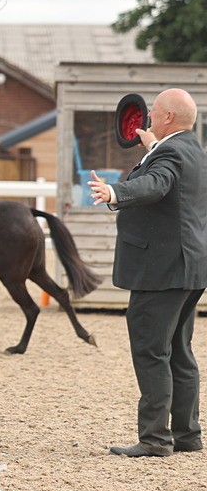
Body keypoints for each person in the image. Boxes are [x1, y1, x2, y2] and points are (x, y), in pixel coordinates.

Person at [88, 88, 206, 458]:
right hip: (189, 267)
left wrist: (114, 192)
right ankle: (187, 435)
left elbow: (155, 184)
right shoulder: (192, 149)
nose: (147, 118)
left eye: (153, 113)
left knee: (151, 350)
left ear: (168, 118)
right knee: (178, 351)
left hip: (161, 269)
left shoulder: (170, 153)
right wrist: (152, 146)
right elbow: (168, 173)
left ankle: (155, 439)